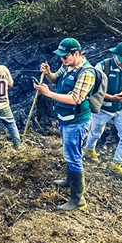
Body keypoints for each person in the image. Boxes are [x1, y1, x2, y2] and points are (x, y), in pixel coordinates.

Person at [34, 38, 95, 211]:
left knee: (74, 157)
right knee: (69, 152)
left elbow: (76, 99)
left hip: (76, 122)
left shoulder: (86, 73)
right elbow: (56, 80)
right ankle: (70, 180)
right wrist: (48, 73)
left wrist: (49, 94)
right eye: (61, 57)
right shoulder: (67, 66)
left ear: (76, 53)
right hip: (65, 118)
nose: (62, 60)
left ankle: (77, 199)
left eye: (65, 56)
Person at [84, 41, 122, 177]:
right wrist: (111, 97)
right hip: (102, 108)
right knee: (96, 132)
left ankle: (116, 165)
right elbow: (91, 90)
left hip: (121, 108)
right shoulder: (102, 66)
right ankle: (89, 149)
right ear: (115, 54)